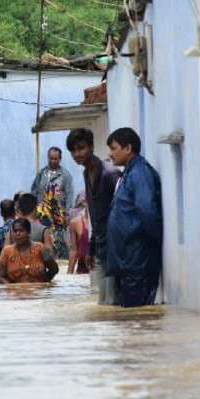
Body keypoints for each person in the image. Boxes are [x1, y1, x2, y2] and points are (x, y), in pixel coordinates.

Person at [106, 127, 163, 308]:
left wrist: (147, 245)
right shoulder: (128, 173)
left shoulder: (140, 174)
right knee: (129, 320)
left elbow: (147, 212)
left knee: (136, 316)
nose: (110, 154)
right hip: (126, 260)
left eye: (114, 148)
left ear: (128, 148)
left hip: (137, 260)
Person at [66, 128, 121, 305]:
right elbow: (95, 215)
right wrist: (91, 248)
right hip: (101, 245)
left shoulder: (110, 174)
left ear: (91, 146)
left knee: (113, 300)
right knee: (103, 303)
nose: (77, 154)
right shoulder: (85, 173)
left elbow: (121, 210)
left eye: (81, 148)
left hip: (116, 246)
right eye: (73, 150)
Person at [31, 147, 75, 259]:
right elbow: (34, 191)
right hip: (43, 216)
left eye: (55, 159)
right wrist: (33, 210)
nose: (53, 161)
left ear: (60, 159)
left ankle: (61, 261)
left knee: (58, 240)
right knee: (44, 238)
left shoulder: (65, 175)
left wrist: (67, 213)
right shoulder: (41, 173)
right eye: (51, 158)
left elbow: (70, 195)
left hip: (58, 217)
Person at [0, 218, 59, 284]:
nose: (18, 234)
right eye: (15, 231)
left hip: (38, 292)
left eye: (21, 231)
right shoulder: (7, 252)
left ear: (29, 232)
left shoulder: (40, 248)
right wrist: (12, 288)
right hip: (16, 293)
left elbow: (54, 270)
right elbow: (0, 277)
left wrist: (44, 283)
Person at [67, 192, 90, 275]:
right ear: (84, 203)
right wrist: (69, 276)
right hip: (82, 271)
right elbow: (74, 251)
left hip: (99, 270)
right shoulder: (75, 223)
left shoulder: (105, 221)